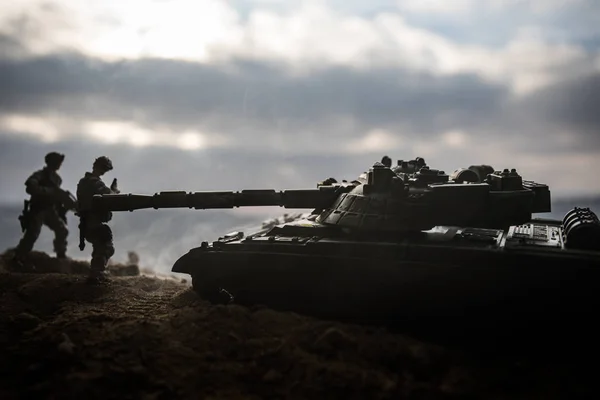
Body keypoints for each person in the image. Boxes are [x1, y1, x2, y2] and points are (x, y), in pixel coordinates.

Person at [14, 152, 76, 266]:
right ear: (51, 162)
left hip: (50, 210)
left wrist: (66, 203)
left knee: (62, 230)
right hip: (38, 209)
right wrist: (48, 192)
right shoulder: (40, 175)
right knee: (32, 234)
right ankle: (19, 257)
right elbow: (30, 187)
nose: (59, 164)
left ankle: (60, 254)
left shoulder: (57, 179)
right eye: (57, 162)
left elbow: (59, 195)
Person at [76, 156, 120, 284]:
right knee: (106, 246)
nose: (104, 172)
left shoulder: (83, 182)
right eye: (103, 169)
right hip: (93, 221)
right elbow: (109, 197)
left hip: (86, 222)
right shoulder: (95, 183)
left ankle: (96, 272)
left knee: (99, 246)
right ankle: (96, 273)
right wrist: (114, 192)